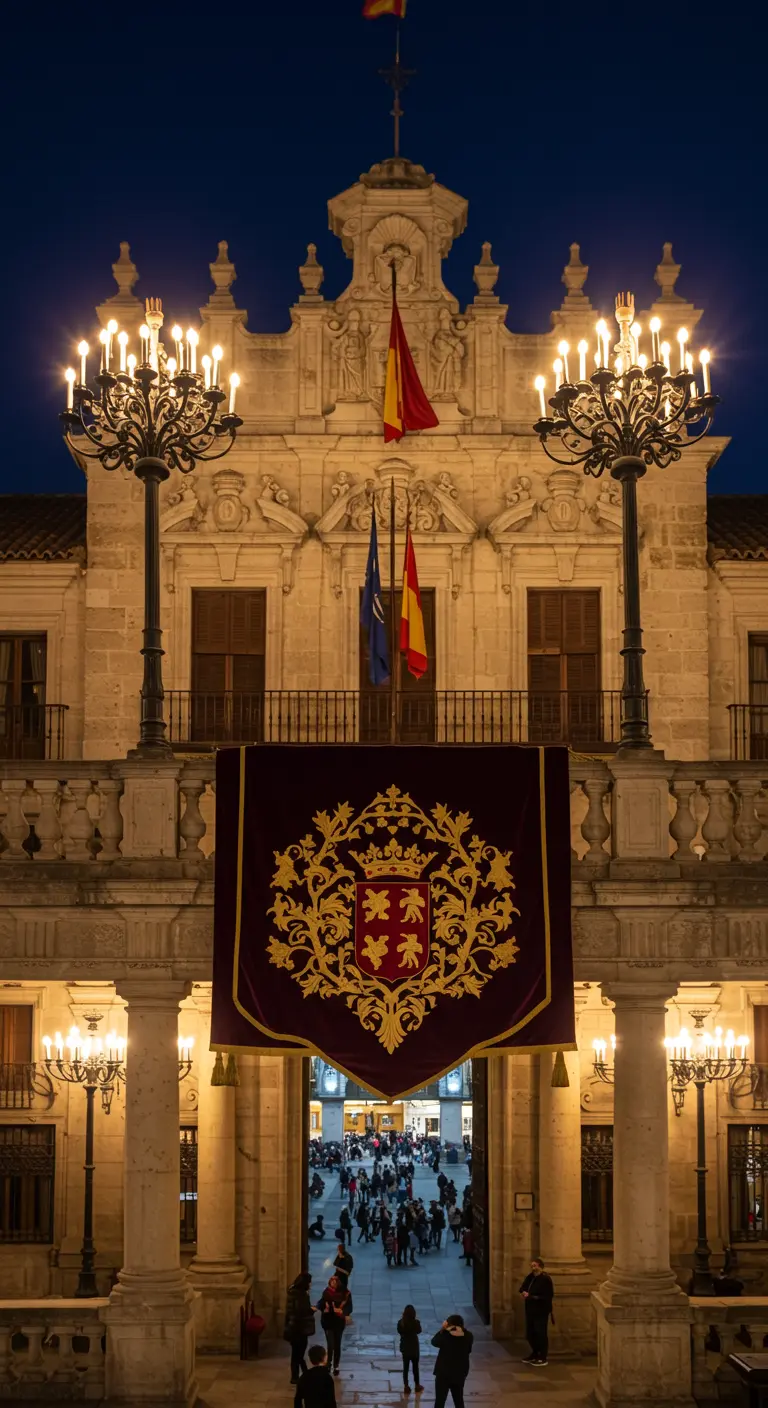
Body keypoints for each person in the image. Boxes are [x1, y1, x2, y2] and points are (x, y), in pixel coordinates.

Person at [431, 1314, 474, 1408]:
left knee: (440, 1402)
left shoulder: (445, 1335)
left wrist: (443, 1329)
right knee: (459, 1401)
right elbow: (468, 1350)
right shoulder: (468, 1336)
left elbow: (434, 1341)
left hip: (443, 1374)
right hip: (459, 1373)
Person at [519, 1258, 554, 1366]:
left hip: (541, 1310)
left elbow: (548, 1296)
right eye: (532, 1266)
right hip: (530, 1309)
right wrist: (524, 1292)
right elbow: (523, 1287)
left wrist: (533, 1297)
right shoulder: (530, 1277)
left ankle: (542, 1356)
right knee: (530, 1333)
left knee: (540, 1333)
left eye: (535, 1266)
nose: (533, 1268)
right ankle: (535, 1353)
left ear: (540, 1266)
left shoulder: (545, 1279)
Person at [284, 1272, 316, 1385]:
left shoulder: (293, 1292)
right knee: (298, 1353)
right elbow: (301, 1311)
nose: (311, 1284)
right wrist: (312, 1310)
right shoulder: (301, 1295)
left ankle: (302, 1374)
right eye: (309, 1282)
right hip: (299, 1328)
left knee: (297, 1353)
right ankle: (297, 1376)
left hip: (293, 1327)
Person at [317, 1275, 350, 1376]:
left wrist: (343, 1312)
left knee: (337, 1345)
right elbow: (321, 1304)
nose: (333, 1283)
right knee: (330, 1344)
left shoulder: (344, 1293)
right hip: (328, 1322)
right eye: (332, 1281)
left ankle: (336, 1365)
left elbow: (349, 1306)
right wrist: (325, 1308)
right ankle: (328, 1364)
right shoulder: (326, 1293)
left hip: (339, 1322)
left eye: (335, 1281)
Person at [294, 1343, 336, 1408]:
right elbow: (331, 1401)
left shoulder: (305, 1376)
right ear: (324, 1358)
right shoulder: (327, 1378)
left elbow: (298, 1399)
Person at [397, 1304, 423, 1393]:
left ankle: (406, 1386)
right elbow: (419, 1331)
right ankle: (417, 1385)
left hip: (405, 1347)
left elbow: (399, 1331)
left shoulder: (401, 1323)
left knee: (405, 1367)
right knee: (415, 1368)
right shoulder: (416, 1323)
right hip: (414, 1348)